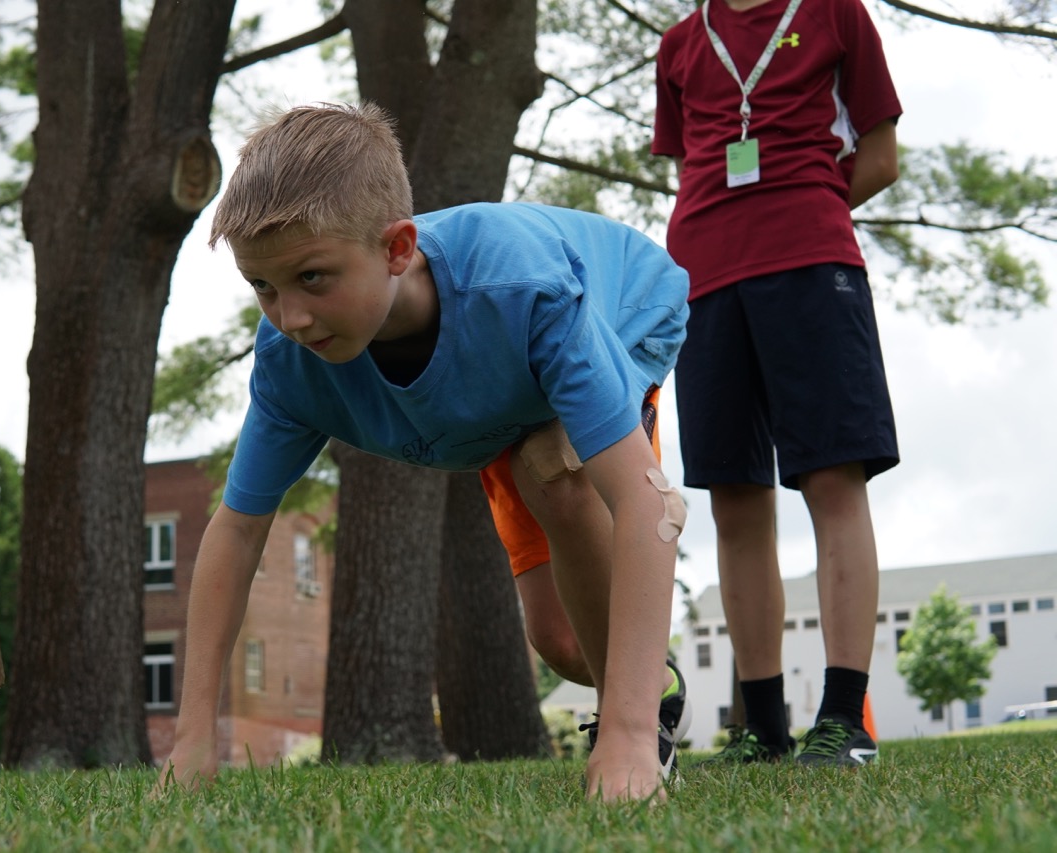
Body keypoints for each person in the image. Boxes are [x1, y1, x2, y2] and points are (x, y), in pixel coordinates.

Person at [161, 102, 692, 803]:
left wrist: (625, 734)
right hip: (495, 403)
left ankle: (636, 723)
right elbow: (236, 530)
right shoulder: (290, 364)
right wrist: (193, 735)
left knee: (556, 473)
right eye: (263, 287)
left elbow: (647, 501)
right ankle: (653, 676)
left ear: (396, 249)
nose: (290, 318)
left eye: (313, 278)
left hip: (620, 309)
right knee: (565, 647)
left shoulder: (524, 291)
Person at [652, 0, 901, 766]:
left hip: (811, 265)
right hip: (704, 280)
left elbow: (882, 155)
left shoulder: (836, 13)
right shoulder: (681, 44)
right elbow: (690, 163)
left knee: (832, 477)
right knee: (733, 496)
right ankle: (762, 727)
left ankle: (843, 720)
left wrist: (806, 205)